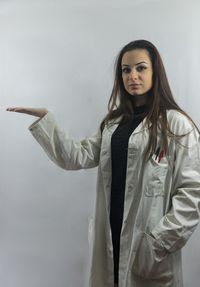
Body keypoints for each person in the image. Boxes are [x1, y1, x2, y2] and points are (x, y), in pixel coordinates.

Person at [7, 39, 200, 287]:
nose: (133, 76)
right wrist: (46, 119)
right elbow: (76, 156)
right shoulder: (112, 124)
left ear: (155, 72)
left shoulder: (176, 125)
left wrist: (159, 242)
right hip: (112, 237)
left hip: (147, 245)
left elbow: (192, 192)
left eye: (141, 68)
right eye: (126, 70)